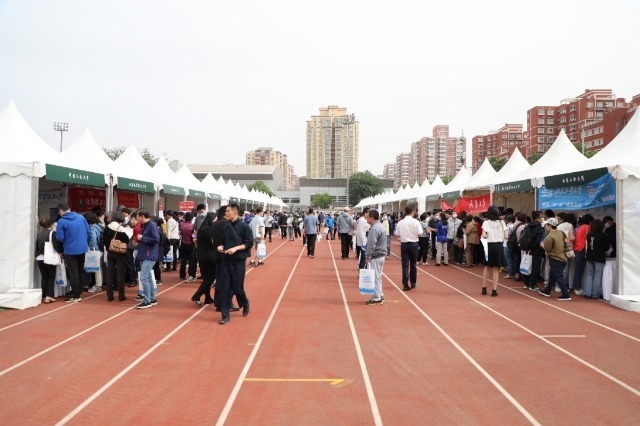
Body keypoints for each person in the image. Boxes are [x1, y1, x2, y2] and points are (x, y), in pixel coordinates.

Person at [216, 203, 252, 325]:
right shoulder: (225, 227)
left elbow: (249, 243)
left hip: (238, 262)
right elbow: (222, 242)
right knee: (224, 288)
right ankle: (225, 315)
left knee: (237, 288)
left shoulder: (244, 227)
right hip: (226, 261)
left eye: (227, 211)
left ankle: (245, 302)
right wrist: (220, 246)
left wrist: (236, 248)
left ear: (235, 212)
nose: (225, 213)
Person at [55, 203, 89, 302]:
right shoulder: (81, 217)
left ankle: (75, 294)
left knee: (73, 272)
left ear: (61, 211)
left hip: (70, 249)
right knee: (80, 271)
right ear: (70, 209)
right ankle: (78, 292)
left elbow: (60, 237)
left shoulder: (61, 221)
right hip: (82, 248)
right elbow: (87, 231)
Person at [538, 218, 572, 301]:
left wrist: (542, 245)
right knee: (552, 275)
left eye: (547, 225)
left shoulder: (549, 236)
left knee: (558, 277)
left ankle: (566, 294)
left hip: (555, 258)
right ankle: (547, 290)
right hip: (563, 257)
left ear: (549, 226)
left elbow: (548, 248)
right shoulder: (561, 232)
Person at [135, 209, 160, 309]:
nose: (136, 219)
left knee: (144, 277)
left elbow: (156, 239)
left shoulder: (151, 225)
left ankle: (147, 300)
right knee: (148, 277)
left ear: (142, 216)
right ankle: (151, 298)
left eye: (137, 216)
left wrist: (143, 238)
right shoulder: (145, 226)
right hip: (145, 254)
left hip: (149, 256)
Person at [191, 212, 217, 306]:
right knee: (210, 278)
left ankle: (208, 297)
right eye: (215, 219)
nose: (216, 221)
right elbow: (212, 244)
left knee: (206, 278)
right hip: (209, 257)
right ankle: (197, 295)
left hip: (202, 256)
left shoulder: (201, 229)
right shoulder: (209, 230)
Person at [103, 212, 130, 302]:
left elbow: (104, 241)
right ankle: (121, 296)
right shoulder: (121, 228)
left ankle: (109, 295)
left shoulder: (107, 228)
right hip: (120, 253)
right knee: (120, 274)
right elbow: (126, 239)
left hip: (110, 252)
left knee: (110, 274)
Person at [481, 206, 506, 296]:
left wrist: (487, 235)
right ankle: (494, 290)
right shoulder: (502, 222)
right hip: (499, 246)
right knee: (496, 269)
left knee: (487, 267)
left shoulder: (486, 222)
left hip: (489, 246)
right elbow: (506, 236)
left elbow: (483, 235)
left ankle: (484, 288)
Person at [396, 205, 422, 291]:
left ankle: (405, 284)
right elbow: (420, 234)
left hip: (404, 244)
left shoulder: (400, 222)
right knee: (413, 264)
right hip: (414, 243)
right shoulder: (416, 222)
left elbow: (397, 234)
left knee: (405, 265)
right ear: (413, 212)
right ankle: (413, 282)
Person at [364, 209, 387, 305]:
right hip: (381, 255)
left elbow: (371, 244)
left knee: (375, 277)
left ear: (372, 218)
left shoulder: (374, 229)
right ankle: (380, 294)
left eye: (367, 217)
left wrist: (368, 257)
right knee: (378, 276)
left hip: (376, 256)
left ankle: (376, 297)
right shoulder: (380, 226)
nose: (366, 219)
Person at [583, 219, 610, 299]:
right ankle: (595, 294)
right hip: (599, 257)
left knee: (590, 275)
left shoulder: (589, 234)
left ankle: (588, 293)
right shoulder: (603, 235)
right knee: (598, 275)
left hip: (589, 256)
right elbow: (606, 247)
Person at [35, 219, 59, 303]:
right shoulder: (52, 233)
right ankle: (49, 296)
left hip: (39, 258)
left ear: (41, 226)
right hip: (49, 258)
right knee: (51, 277)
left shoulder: (39, 234)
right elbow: (56, 245)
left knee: (44, 277)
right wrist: (60, 253)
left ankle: (43, 295)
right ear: (51, 225)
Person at [572, 214, 593, 296]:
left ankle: (576, 287)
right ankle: (577, 288)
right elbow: (588, 238)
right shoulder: (587, 227)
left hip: (577, 249)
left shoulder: (580, 227)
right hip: (582, 249)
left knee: (578, 269)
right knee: (579, 270)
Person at [180, 212, 197, 282]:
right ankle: (191, 274)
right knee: (191, 260)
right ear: (192, 218)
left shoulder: (181, 224)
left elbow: (180, 233)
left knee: (183, 260)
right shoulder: (193, 225)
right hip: (191, 244)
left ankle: (182, 275)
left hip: (183, 243)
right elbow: (194, 235)